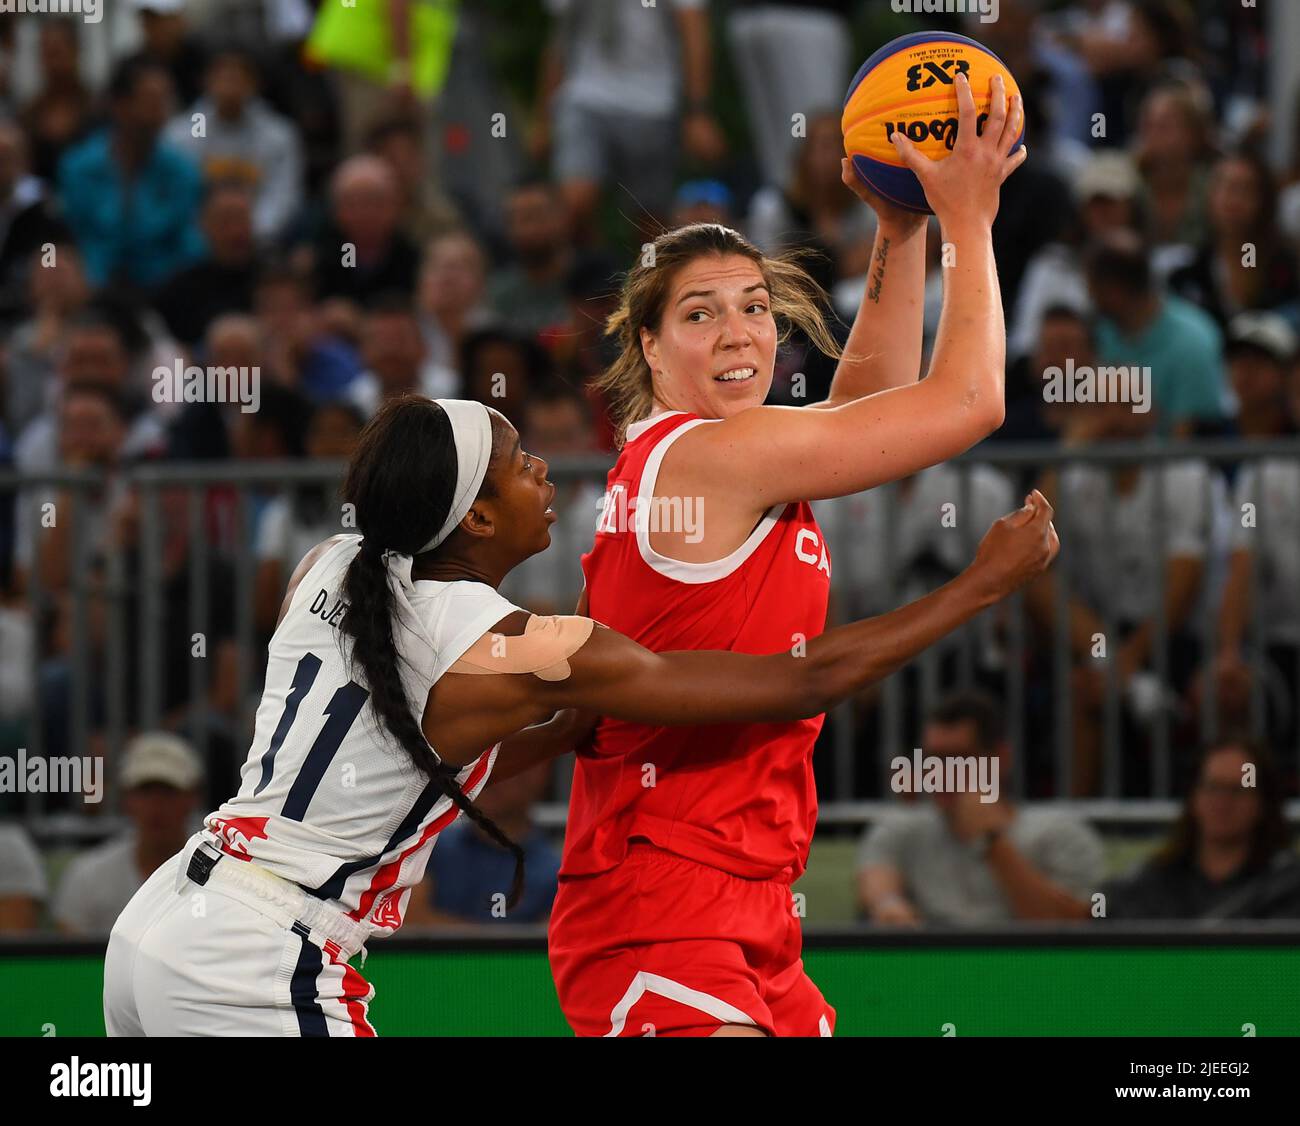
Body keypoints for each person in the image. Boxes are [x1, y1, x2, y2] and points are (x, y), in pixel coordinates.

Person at [104, 392, 1057, 1036]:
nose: (547, 471)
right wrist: (979, 585)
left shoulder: (331, 567)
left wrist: (562, 730)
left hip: (163, 922)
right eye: (521, 463)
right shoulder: (512, 642)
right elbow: (798, 684)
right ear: (474, 519)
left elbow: (391, 752)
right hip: (258, 955)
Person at [551, 73, 1029, 1037]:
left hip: (743, 890)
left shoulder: (713, 452)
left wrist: (900, 231)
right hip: (663, 892)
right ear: (649, 346)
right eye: (700, 314)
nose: (739, 333)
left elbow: (863, 410)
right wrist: (971, 222)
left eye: (755, 307)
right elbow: (970, 403)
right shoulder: (712, 455)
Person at [857, 693, 1104, 926]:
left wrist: (991, 842)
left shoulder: (1061, 832)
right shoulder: (901, 828)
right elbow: (879, 888)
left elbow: (1073, 931)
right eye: (932, 758)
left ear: (1001, 758)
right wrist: (888, 906)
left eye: (959, 758)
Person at [1101, 739, 1300, 920]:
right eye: (1213, 787)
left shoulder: (1287, 886)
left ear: (1263, 802)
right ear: (1193, 797)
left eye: (1238, 790)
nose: (1223, 802)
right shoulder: (1153, 882)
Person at [53, 733, 204, 935]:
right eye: (145, 791)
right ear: (127, 799)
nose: (156, 805)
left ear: (192, 799)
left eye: (169, 792)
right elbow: (69, 959)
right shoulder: (88, 877)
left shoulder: (223, 875)